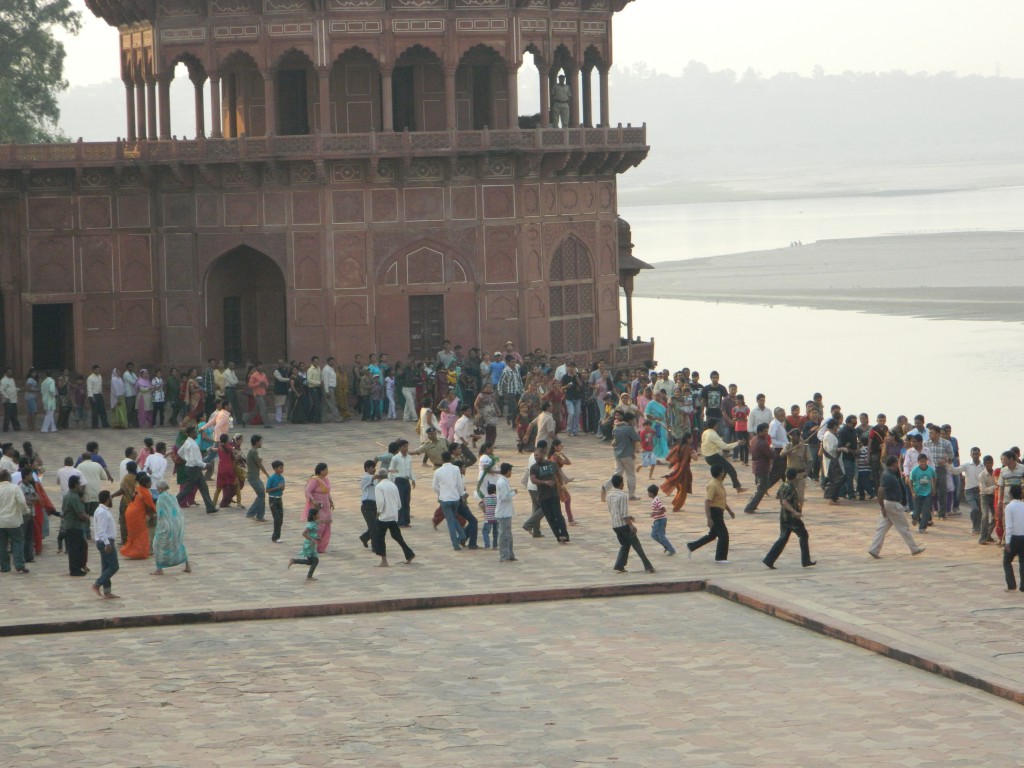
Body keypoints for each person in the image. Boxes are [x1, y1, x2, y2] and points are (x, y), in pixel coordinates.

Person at [868, 456, 925, 559]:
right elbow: (881, 491)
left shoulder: (888, 474)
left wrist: (883, 507)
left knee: (882, 528)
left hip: (888, 504)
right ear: (894, 464)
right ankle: (914, 548)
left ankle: (874, 549)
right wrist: (882, 507)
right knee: (904, 528)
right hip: (892, 504)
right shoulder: (888, 476)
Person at [763, 468, 816, 569]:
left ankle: (769, 560)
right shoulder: (790, 488)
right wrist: (795, 511)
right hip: (791, 518)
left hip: (783, 516)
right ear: (795, 476)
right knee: (803, 535)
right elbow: (784, 502)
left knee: (782, 538)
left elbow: (778, 497)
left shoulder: (783, 485)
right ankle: (805, 560)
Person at [604, 474, 655, 573]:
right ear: (621, 484)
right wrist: (631, 525)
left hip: (615, 524)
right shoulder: (623, 496)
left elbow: (613, 510)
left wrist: (628, 516)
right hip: (623, 525)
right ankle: (648, 566)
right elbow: (623, 513)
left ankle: (619, 565)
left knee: (625, 544)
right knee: (636, 545)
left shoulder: (609, 495)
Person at [687, 464, 734, 563]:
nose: (724, 473)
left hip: (719, 511)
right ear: (720, 473)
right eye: (723, 471)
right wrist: (709, 518)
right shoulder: (713, 485)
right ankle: (720, 558)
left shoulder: (719, 483)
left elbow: (721, 500)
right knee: (724, 535)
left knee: (712, 535)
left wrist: (729, 510)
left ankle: (692, 546)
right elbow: (707, 501)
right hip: (714, 512)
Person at [372, 469, 415, 567]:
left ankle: (384, 560)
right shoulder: (393, 485)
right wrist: (396, 510)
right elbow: (399, 501)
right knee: (397, 536)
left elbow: (380, 502)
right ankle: (409, 554)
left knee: (380, 538)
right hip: (393, 515)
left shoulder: (379, 486)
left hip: (384, 516)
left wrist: (378, 512)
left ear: (379, 477)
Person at [530, 443, 570, 543]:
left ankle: (564, 534)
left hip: (553, 494)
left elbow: (558, 474)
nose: (536, 457)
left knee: (558, 515)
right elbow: (533, 480)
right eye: (535, 455)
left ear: (543, 454)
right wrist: (545, 482)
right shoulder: (534, 467)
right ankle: (558, 536)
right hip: (543, 496)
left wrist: (561, 486)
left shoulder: (552, 464)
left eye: (537, 455)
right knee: (550, 517)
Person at [151, 482, 191, 575]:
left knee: (158, 546)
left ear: (160, 489)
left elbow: (160, 514)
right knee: (178, 543)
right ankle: (187, 565)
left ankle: (159, 569)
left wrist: (155, 517)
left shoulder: (160, 499)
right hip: (177, 523)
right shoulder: (172, 496)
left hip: (166, 525)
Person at [175, 426, 217, 514]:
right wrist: (205, 464)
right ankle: (173, 502)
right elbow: (195, 460)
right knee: (187, 489)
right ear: (190, 434)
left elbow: (180, 452)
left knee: (203, 487)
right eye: (194, 432)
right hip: (194, 469)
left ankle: (210, 507)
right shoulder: (193, 445)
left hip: (191, 468)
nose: (196, 434)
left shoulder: (187, 442)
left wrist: (187, 459)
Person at [432, 451, 468, 551]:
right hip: (455, 498)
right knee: (453, 518)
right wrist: (461, 495)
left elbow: (434, 486)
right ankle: (462, 534)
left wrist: (441, 492)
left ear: (442, 459)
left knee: (450, 521)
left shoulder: (438, 471)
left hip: (445, 499)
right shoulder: (456, 469)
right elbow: (459, 484)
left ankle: (455, 544)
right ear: (450, 458)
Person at [701, 418, 745, 493]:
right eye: (717, 425)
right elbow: (724, 446)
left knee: (722, 472)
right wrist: (737, 443)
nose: (717, 426)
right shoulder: (713, 434)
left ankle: (716, 488)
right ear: (715, 426)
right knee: (731, 470)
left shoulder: (705, 432)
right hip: (713, 456)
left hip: (707, 456)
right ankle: (737, 488)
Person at [91, 490, 120, 597]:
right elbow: (101, 530)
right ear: (107, 499)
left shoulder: (102, 510)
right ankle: (97, 583)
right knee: (114, 566)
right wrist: (107, 543)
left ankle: (107, 591)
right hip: (105, 541)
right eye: (110, 498)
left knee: (106, 567)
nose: (111, 500)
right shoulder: (102, 512)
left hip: (104, 541)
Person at [0, 469, 29, 574]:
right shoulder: (15, 488)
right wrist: (25, 511)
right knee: (17, 542)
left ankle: (4, 567)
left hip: (1, 522)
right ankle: (19, 564)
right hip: (14, 521)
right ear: (9, 478)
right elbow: (22, 502)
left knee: (2, 545)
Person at [120, 473, 155, 560]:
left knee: (135, 534)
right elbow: (149, 507)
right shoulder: (145, 492)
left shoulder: (138, 488)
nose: (151, 484)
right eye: (150, 482)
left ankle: (138, 552)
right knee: (141, 534)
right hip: (136, 514)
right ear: (147, 484)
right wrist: (152, 516)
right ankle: (140, 552)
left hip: (130, 511)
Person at [62, 475, 90, 576]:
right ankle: (75, 569)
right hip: (74, 526)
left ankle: (78, 567)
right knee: (76, 549)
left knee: (79, 547)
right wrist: (87, 517)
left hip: (69, 525)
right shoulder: (74, 497)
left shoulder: (67, 495)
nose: (80, 486)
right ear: (75, 485)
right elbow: (80, 514)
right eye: (79, 484)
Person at [743, 423, 774, 514]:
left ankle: (752, 504)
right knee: (761, 489)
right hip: (762, 467)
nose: (766, 433)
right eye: (765, 431)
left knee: (760, 488)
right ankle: (750, 506)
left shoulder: (754, 439)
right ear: (760, 432)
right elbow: (770, 454)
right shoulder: (762, 442)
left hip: (756, 466)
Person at [304, 463, 334, 554]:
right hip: (318, 507)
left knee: (326, 526)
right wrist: (313, 500)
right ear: (321, 471)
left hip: (326, 506)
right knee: (319, 526)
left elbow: (327, 492)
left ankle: (321, 547)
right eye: (326, 469)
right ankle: (312, 545)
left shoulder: (325, 479)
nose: (327, 471)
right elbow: (307, 491)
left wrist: (331, 501)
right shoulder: (314, 480)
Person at [611, 412, 641, 499]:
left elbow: (614, 441)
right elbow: (637, 438)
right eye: (633, 420)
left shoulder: (616, 428)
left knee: (617, 473)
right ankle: (631, 495)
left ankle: (609, 488)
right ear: (630, 420)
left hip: (617, 454)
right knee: (630, 475)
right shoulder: (629, 429)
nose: (634, 421)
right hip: (628, 454)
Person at [660, 439, 694, 511]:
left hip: (677, 468)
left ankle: (676, 504)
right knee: (683, 490)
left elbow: (669, 456)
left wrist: (673, 463)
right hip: (683, 470)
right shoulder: (688, 448)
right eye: (691, 438)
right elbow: (694, 458)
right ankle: (676, 507)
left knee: (679, 489)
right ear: (688, 439)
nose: (692, 440)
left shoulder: (678, 447)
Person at [288, 507, 321, 581]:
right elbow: (304, 533)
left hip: (312, 544)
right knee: (315, 561)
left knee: (310, 561)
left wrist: (317, 538)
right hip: (309, 545)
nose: (319, 515)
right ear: (314, 516)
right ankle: (309, 576)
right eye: (318, 514)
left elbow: (313, 533)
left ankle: (294, 561)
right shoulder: (311, 525)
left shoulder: (314, 523)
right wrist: (311, 539)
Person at [388, 439, 415, 528]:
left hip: (406, 480)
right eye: (404, 446)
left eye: (407, 446)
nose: (406, 448)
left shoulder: (409, 457)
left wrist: (413, 479)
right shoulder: (395, 458)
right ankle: (400, 521)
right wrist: (391, 481)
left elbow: (410, 469)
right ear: (399, 448)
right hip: (399, 480)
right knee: (400, 502)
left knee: (407, 501)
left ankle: (406, 521)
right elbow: (391, 470)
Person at [1002, 485, 1024, 591]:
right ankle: (1023, 586)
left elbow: (1009, 526)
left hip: (1014, 538)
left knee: (1007, 561)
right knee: (1023, 561)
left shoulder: (1009, 507)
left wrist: (1007, 542)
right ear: (1021, 494)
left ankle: (1011, 584)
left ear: (1010, 495)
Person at [494, 462, 517, 563]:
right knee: (504, 535)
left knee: (508, 534)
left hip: (507, 512)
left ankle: (510, 555)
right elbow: (505, 497)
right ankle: (504, 556)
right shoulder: (502, 482)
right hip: (503, 513)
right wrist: (513, 493)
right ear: (508, 471)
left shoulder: (504, 481)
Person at [244, 434, 269, 522]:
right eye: (260, 441)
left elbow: (255, 462)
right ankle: (251, 513)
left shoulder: (253, 451)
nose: (261, 443)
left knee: (262, 495)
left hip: (254, 476)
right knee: (261, 495)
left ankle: (260, 515)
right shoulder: (253, 451)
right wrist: (267, 474)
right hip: (253, 477)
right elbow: (259, 464)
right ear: (257, 442)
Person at [910, 453, 936, 533]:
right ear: (918, 462)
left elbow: (934, 478)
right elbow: (910, 481)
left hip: (927, 493)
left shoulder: (930, 470)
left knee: (926, 511)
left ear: (927, 461)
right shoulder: (915, 470)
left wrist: (933, 488)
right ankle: (914, 518)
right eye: (921, 462)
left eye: (924, 461)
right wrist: (913, 492)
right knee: (917, 511)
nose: (923, 463)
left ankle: (922, 528)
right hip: (917, 493)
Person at [648, 483, 676, 555]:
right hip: (657, 521)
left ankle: (671, 549)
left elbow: (663, 509)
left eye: (648, 492)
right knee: (654, 535)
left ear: (651, 493)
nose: (648, 493)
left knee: (661, 536)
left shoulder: (656, 500)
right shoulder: (654, 499)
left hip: (660, 520)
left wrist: (655, 513)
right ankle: (666, 546)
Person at [358, 459, 379, 551]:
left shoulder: (374, 479)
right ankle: (375, 547)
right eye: (372, 467)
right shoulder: (366, 477)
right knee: (374, 528)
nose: (374, 469)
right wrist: (387, 471)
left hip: (374, 504)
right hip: (367, 505)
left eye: (374, 467)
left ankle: (365, 537)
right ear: (367, 468)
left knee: (375, 526)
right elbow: (376, 476)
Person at [267, 460, 286, 543]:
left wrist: (282, 487)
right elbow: (267, 490)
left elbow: (283, 487)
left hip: (279, 498)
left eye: (282, 467)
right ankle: (275, 537)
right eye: (280, 468)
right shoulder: (271, 478)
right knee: (277, 518)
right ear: (275, 469)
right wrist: (278, 488)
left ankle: (277, 535)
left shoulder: (282, 478)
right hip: (273, 499)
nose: (282, 469)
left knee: (280, 518)